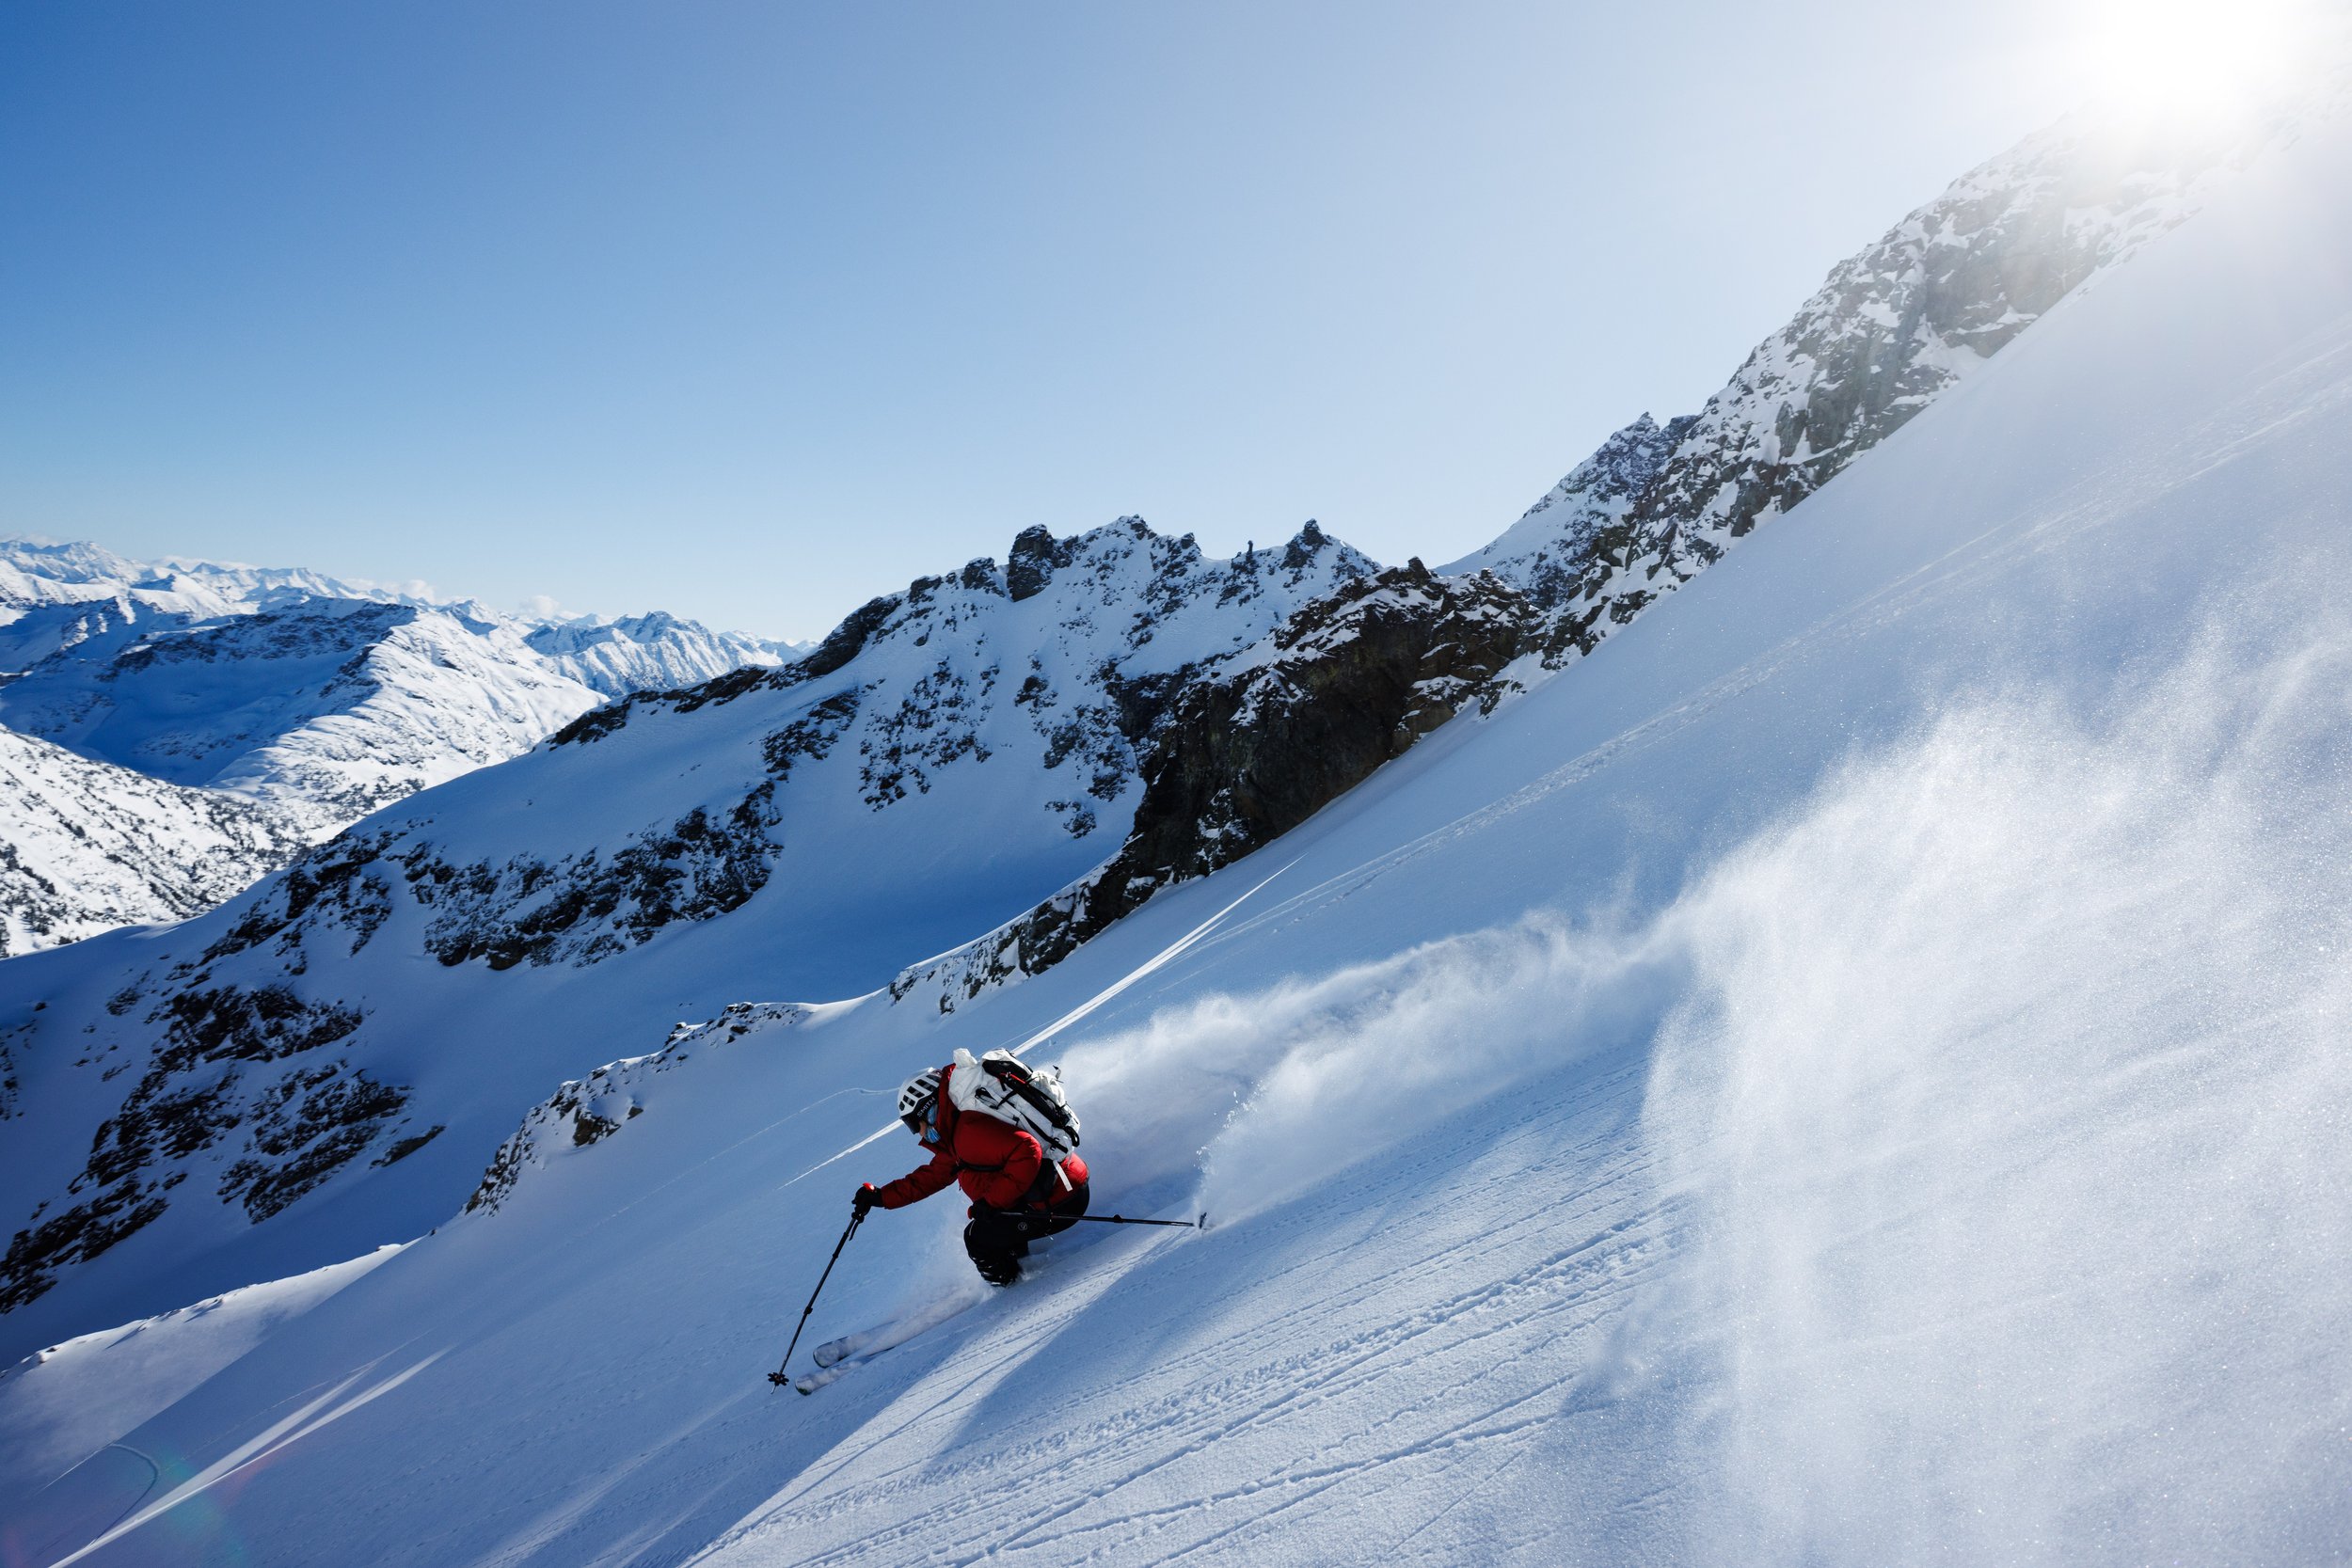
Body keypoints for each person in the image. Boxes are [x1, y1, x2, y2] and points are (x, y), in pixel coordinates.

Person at [854, 1061, 1090, 1286]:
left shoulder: (968, 1132)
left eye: (915, 1124)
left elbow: (1027, 1149)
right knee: (994, 1227)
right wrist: (880, 1197)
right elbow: (932, 1176)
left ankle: (1014, 1294)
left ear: (929, 1109)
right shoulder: (957, 1133)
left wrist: (991, 1203)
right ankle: (1020, 1269)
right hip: (1064, 1188)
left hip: (1059, 1202)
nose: (919, 1133)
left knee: (978, 1239)